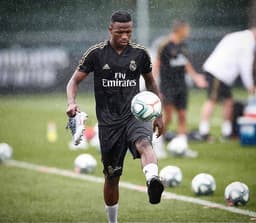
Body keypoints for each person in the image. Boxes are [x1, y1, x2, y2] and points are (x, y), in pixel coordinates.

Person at [66, 11, 164, 223]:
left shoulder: (140, 54)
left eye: (128, 32)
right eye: (120, 32)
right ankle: (113, 221)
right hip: (109, 124)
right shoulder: (96, 54)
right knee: (112, 177)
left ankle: (152, 180)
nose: (125, 36)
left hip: (134, 116)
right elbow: (73, 82)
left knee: (144, 143)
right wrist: (71, 103)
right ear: (110, 29)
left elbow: (151, 83)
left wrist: (158, 114)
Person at [153, 20, 207, 155]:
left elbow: (186, 63)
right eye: (186, 29)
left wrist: (196, 77)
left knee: (182, 116)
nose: (188, 32)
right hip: (167, 86)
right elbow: (157, 64)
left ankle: (183, 147)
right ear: (180, 29)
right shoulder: (165, 45)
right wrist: (152, 85)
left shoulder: (183, 45)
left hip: (181, 86)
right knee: (168, 117)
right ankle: (157, 144)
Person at [198, 28, 256, 139]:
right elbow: (245, 65)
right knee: (211, 100)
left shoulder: (238, 35)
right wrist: (249, 85)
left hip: (222, 74)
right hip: (218, 72)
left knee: (229, 102)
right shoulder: (247, 42)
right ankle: (203, 132)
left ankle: (227, 132)